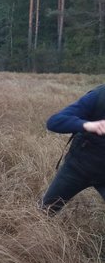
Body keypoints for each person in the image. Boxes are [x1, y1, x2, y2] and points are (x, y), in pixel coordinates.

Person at [40, 85, 105, 215]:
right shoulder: (98, 96)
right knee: (45, 212)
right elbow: (54, 122)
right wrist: (87, 125)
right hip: (77, 168)